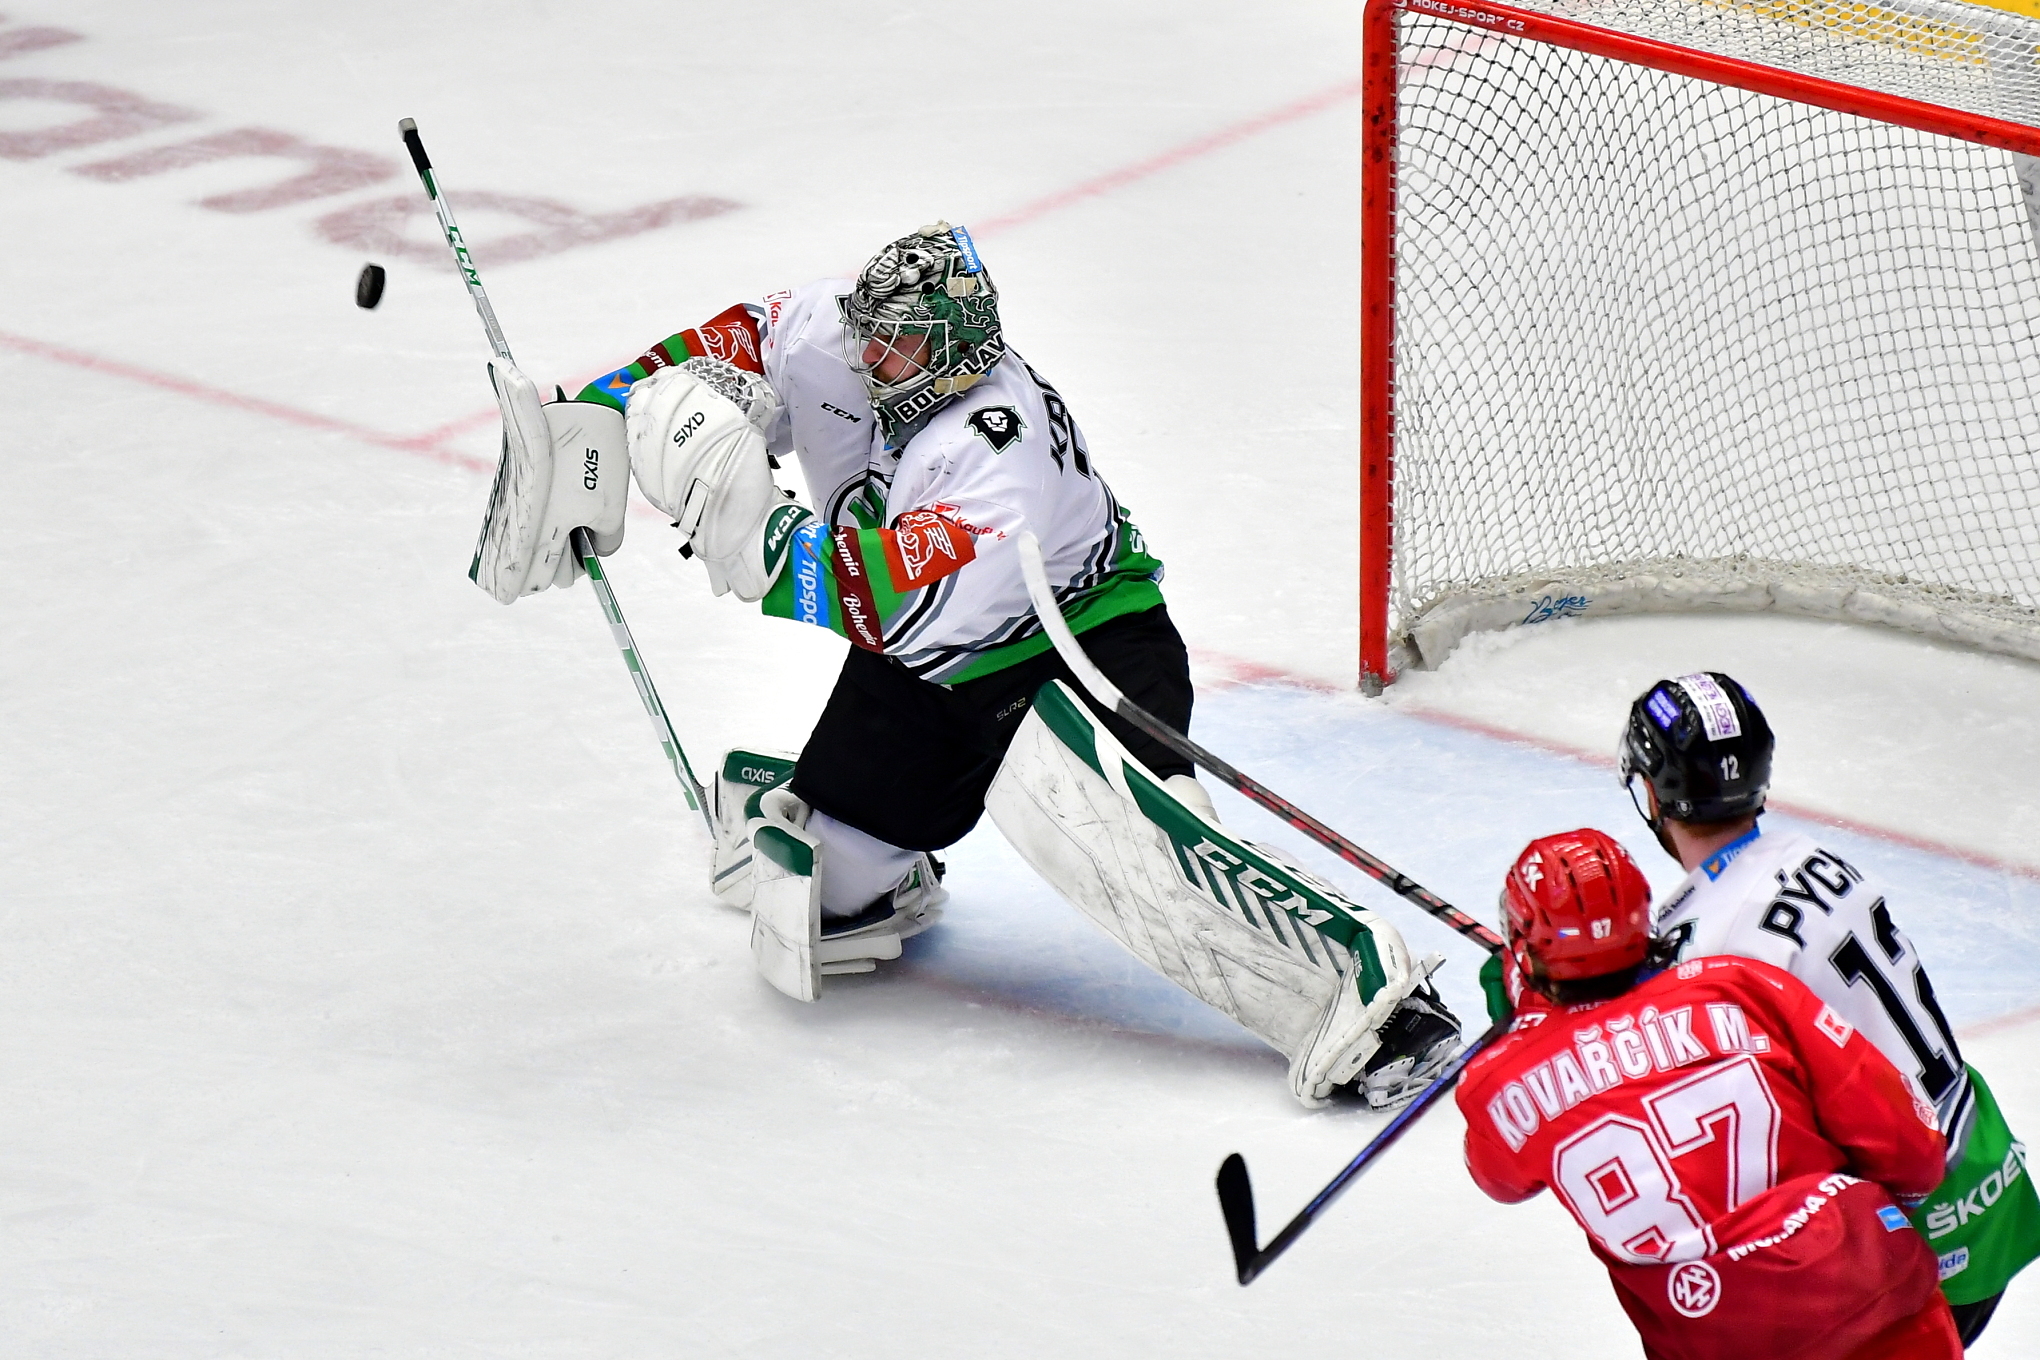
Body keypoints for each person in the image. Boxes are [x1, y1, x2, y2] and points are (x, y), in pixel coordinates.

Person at [562, 222, 1458, 1104]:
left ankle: (1374, 1004)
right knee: (822, 893)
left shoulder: (996, 451)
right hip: (944, 663)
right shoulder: (840, 334)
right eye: (869, 334)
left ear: (960, 350)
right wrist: (603, 413)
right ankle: (851, 841)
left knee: (1147, 854)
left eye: (899, 345)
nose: (872, 358)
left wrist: (760, 538)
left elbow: (890, 607)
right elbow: (745, 340)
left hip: (1082, 642)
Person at [1615, 671, 2040, 1346]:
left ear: (1651, 793)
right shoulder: (1814, 857)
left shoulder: (1707, 948)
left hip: (1905, 1236)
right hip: (1986, 1177)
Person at [1458, 828, 1961, 1360]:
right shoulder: (1740, 983)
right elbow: (1913, 1152)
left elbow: (1499, 1178)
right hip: (1871, 1297)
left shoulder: (1500, 1079)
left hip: (1712, 1335)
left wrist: (1532, 1021)